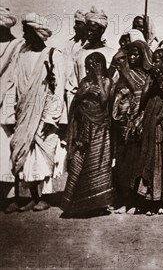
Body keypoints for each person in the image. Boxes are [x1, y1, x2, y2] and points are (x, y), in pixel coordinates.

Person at [9, 13, 66, 212]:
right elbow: (16, 85)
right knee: (24, 153)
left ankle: (47, 196)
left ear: (37, 33)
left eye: (27, 32)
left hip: (45, 112)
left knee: (45, 153)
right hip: (25, 111)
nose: (24, 36)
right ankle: (34, 196)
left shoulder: (54, 55)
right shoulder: (22, 54)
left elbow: (58, 89)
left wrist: (53, 117)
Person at [60, 52, 114, 216]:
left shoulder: (106, 81)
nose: (89, 68)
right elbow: (76, 101)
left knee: (97, 164)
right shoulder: (84, 82)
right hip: (84, 128)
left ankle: (97, 203)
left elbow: (105, 100)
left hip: (99, 128)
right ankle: (77, 203)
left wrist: (98, 78)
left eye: (94, 65)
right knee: (79, 161)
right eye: (88, 65)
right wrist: (85, 92)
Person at [111, 40, 152, 214]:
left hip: (139, 124)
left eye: (137, 54)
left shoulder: (147, 75)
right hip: (123, 124)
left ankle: (136, 202)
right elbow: (117, 93)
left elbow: (141, 94)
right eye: (131, 55)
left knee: (137, 162)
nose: (133, 58)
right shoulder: (123, 73)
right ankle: (124, 199)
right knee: (122, 162)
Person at [136, 48, 163, 215]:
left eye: (159, 60)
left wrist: (160, 83)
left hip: (162, 124)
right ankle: (151, 197)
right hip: (150, 123)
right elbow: (143, 100)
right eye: (154, 60)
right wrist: (150, 83)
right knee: (151, 158)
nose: (155, 64)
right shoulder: (151, 79)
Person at [0, 7, 25, 213]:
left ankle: (10, 197)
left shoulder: (18, 46)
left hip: (8, 105)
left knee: (7, 151)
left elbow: (17, 77)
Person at [73, 7, 116, 85]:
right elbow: (73, 84)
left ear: (102, 30)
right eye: (87, 30)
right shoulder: (79, 54)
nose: (89, 33)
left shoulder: (112, 54)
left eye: (92, 30)